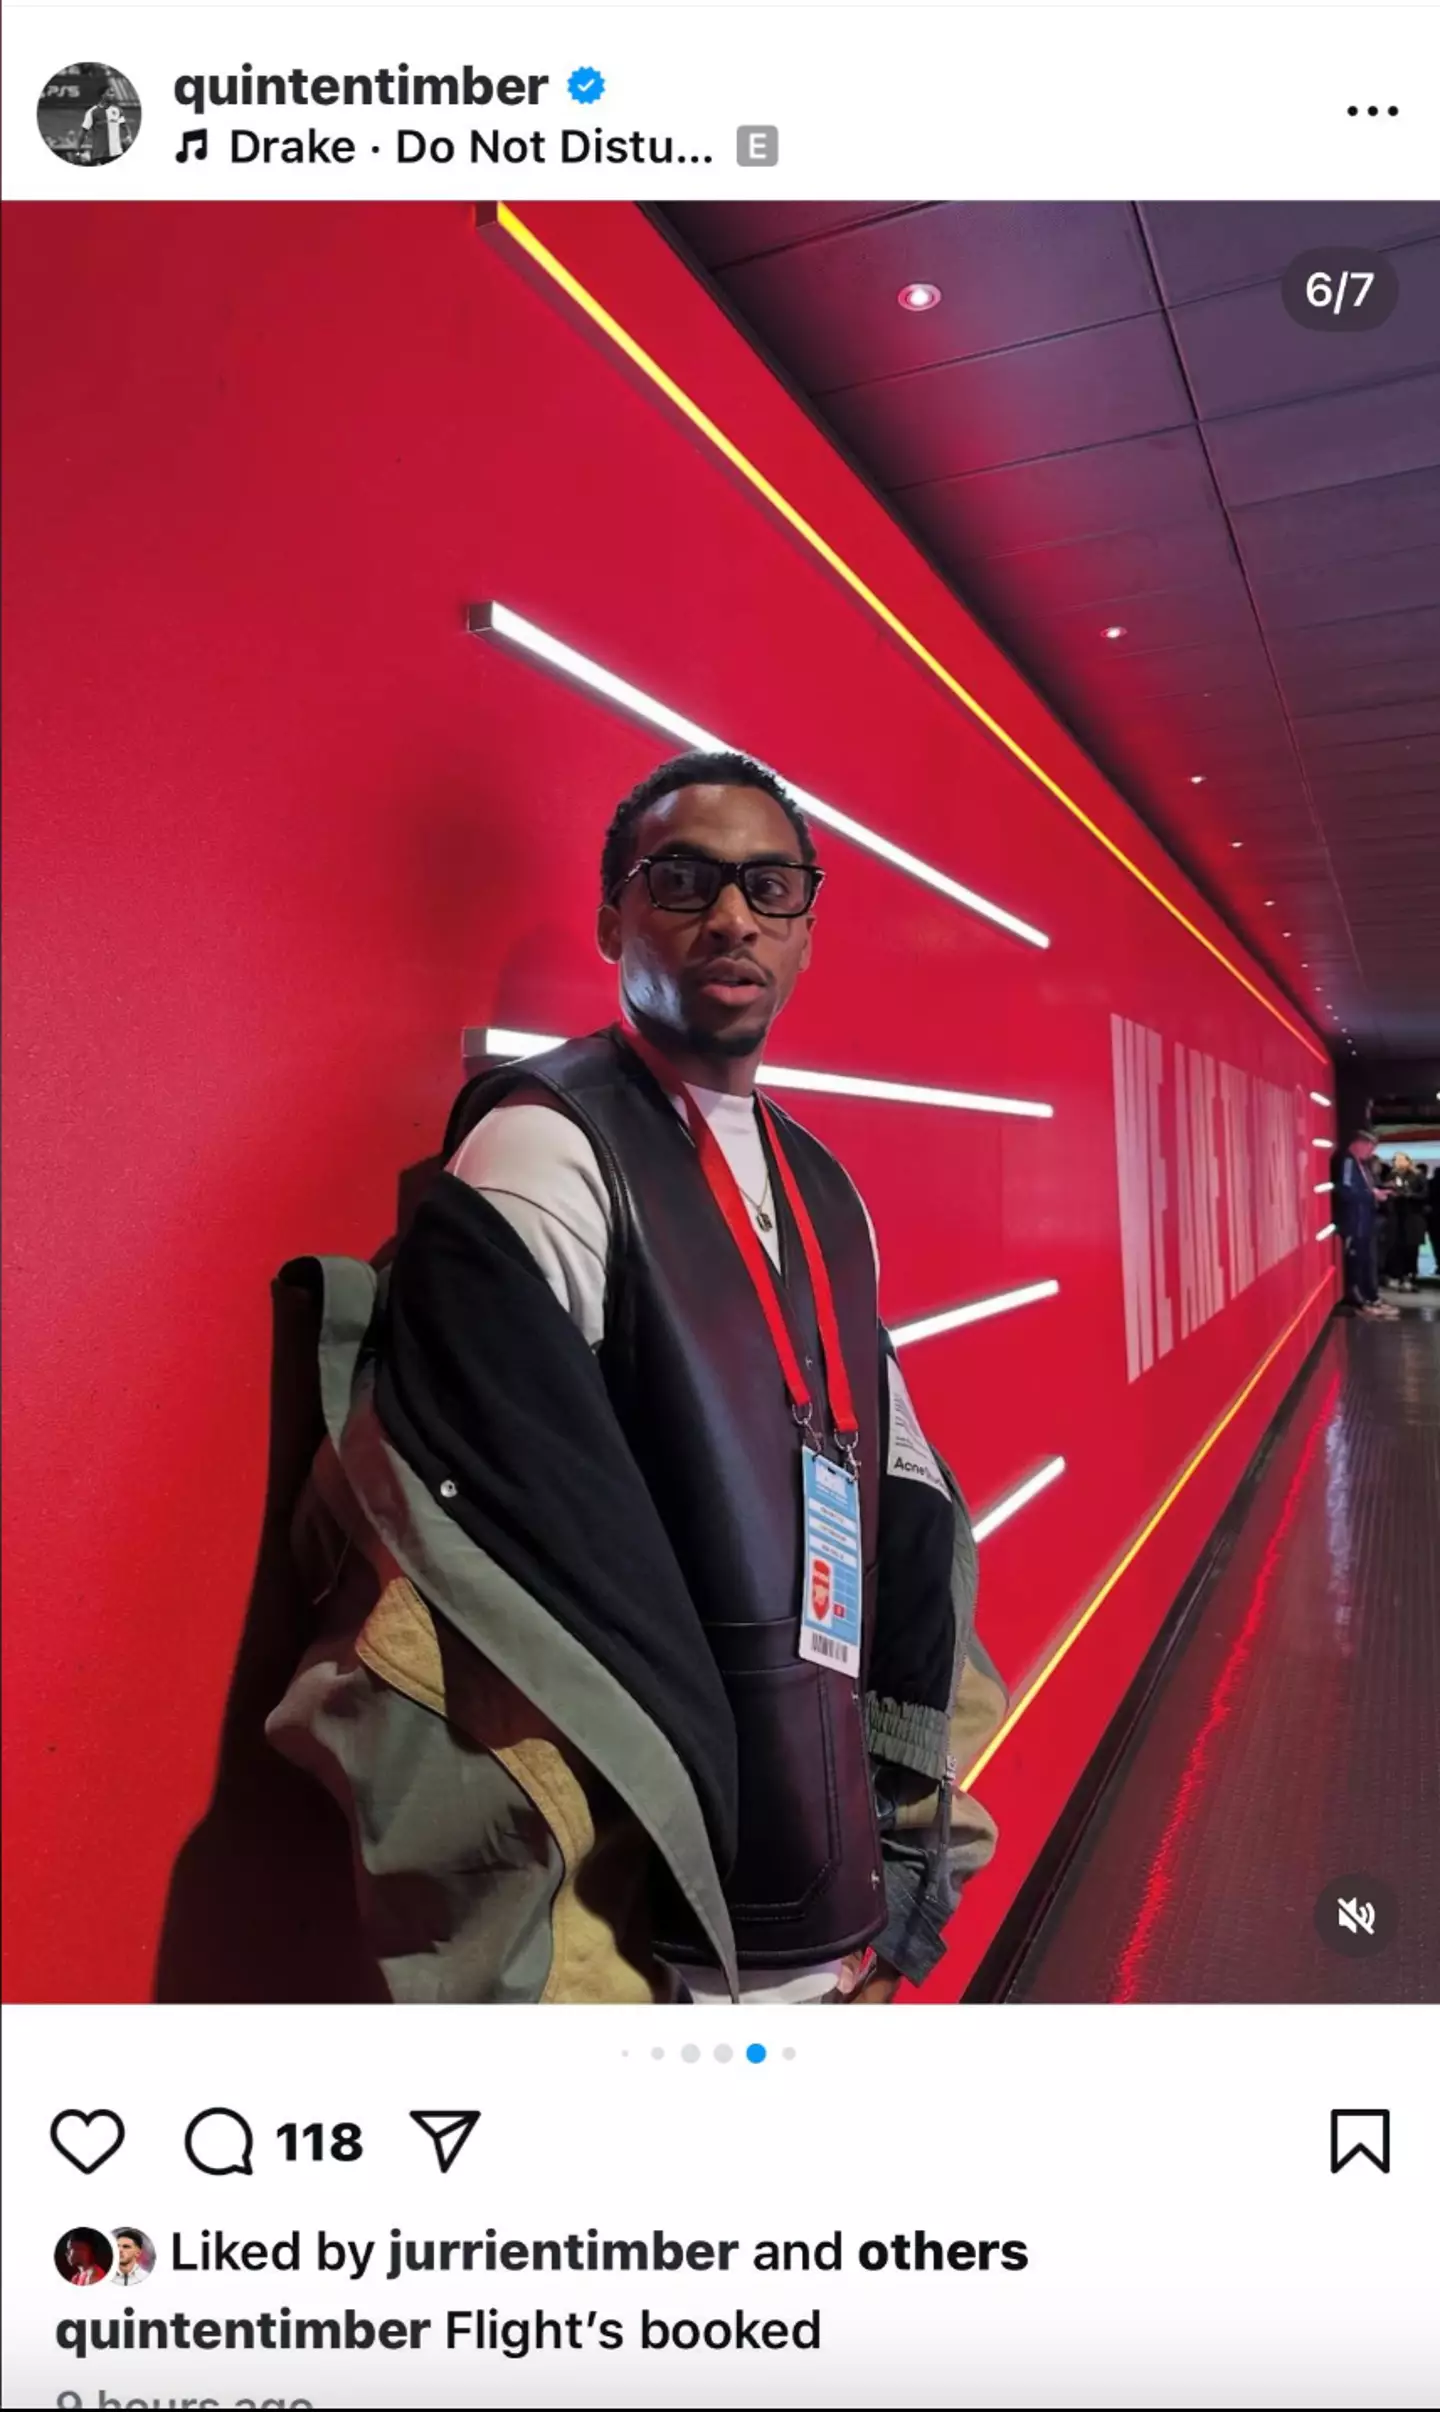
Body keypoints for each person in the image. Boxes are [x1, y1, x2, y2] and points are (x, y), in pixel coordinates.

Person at [268, 751, 1005, 2006]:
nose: (732, 917)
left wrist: (913, 1863)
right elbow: (485, 1599)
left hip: (825, 1871)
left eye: (770, 888)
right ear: (616, 913)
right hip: (653, 1919)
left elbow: (902, 1513)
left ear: (807, 929)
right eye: (684, 880)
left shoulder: (823, 1182)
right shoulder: (546, 1152)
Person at [1332, 1129, 1398, 1319]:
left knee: (1365, 1260)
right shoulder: (1347, 1161)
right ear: (1359, 1144)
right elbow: (1345, 1190)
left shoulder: (1360, 1164)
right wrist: (1372, 1195)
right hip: (1354, 1222)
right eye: (1370, 1148)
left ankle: (1368, 1297)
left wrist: (1377, 1192)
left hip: (1364, 1221)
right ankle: (1359, 1300)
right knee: (1356, 1262)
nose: (1371, 1153)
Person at [1385, 1152, 1428, 1291]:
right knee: (1398, 1248)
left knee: (1411, 1248)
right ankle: (1399, 1276)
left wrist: (1410, 1195)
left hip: (1413, 1216)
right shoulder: (1393, 1176)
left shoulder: (1418, 1176)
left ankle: (1411, 1276)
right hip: (1398, 1216)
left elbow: (1425, 1194)